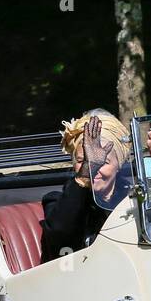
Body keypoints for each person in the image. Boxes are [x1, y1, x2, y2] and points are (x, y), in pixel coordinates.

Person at [41, 109, 131, 262]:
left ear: (119, 165)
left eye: (103, 162)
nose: (93, 168)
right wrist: (84, 176)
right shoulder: (56, 202)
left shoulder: (131, 199)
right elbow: (61, 237)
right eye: (82, 161)